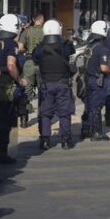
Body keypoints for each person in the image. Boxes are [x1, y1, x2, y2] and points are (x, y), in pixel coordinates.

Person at [33, 19, 76, 150]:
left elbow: (35, 61)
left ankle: (45, 140)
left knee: (45, 113)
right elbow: (73, 58)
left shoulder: (39, 48)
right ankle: (65, 140)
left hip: (46, 84)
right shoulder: (67, 46)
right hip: (63, 83)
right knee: (64, 113)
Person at [0, 13, 25, 164]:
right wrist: (19, 80)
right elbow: (11, 65)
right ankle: (2, 152)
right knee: (5, 120)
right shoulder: (11, 45)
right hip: (6, 87)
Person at [80, 20, 110, 141]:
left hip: (87, 80)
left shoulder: (88, 47)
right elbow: (104, 68)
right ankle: (96, 132)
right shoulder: (102, 49)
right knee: (96, 107)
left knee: (88, 106)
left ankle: (86, 129)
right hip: (97, 81)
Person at [18, 13, 44, 128]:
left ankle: (24, 119)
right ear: (43, 20)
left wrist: (28, 49)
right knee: (42, 91)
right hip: (43, 64)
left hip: (29, 62)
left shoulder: (26, 31)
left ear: (33, 20)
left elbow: (20, 47)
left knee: (26, 91)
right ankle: (42, 117)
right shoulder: (46, 31)